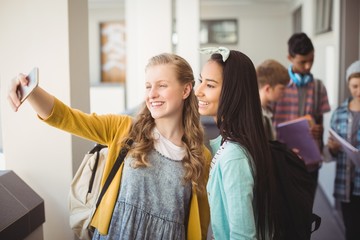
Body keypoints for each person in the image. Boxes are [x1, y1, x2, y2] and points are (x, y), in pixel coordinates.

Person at [8, 53, 212, 240]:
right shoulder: (123, 129)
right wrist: (31, 90)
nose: (152, 94)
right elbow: (67, 118)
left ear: (186, 90)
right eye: (148, 86)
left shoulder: (200, 156)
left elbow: (200, 225)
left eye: (162, 85)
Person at [196, 47, 279, 240]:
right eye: (201, 81)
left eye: (210, 85)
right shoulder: (230, 145)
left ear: (233, 92)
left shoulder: (234, 156)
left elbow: (243, 236)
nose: (198, 91)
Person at [272, 32, 331, 203]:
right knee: (284, 213)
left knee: (306, 214)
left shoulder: (319, 87)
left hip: (310, 163)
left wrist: (319, 130)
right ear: (289, 58)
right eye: (302, 62)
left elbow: (319, 121)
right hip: (283, 162)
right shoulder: (278, 85)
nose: (307, 66)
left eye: (311, 60)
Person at [327, 60, 360, 240]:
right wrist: (331, 148)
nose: (359, 91)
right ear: (348, 84)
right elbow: (330, 153)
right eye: (355, 86)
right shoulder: (338, 113)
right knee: (352, 230)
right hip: (346, 183)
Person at [256, 59, 289, 140]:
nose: (284, 92)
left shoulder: (267, 111)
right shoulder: (256, 115)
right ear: (268, 89)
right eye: (281, 89)